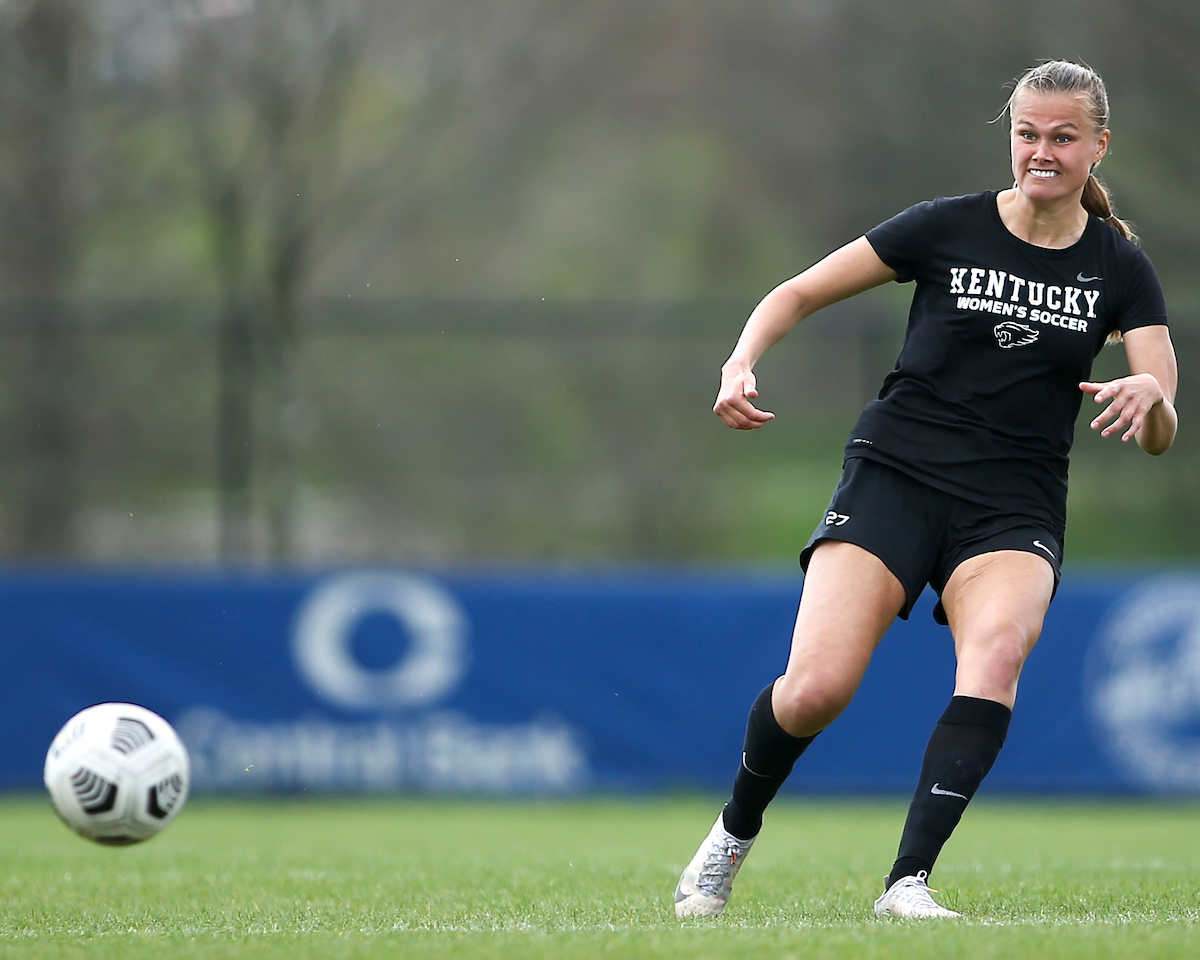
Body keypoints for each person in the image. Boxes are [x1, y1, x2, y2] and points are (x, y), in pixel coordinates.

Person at [674, 60, 1178, 920]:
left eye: (1063, 137)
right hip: (896, 475)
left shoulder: (1119, 268)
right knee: (815, 691)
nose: (1042, 152)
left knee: (998, 658)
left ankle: (907, 882)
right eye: (1028, 133)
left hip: (1013, 500)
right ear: (1010, 135)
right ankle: (729, 838)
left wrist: (1152, 398)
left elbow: (1163, 425)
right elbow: (796, 291)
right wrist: (740, 359)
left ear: (1099, 144)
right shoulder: (946, 227)